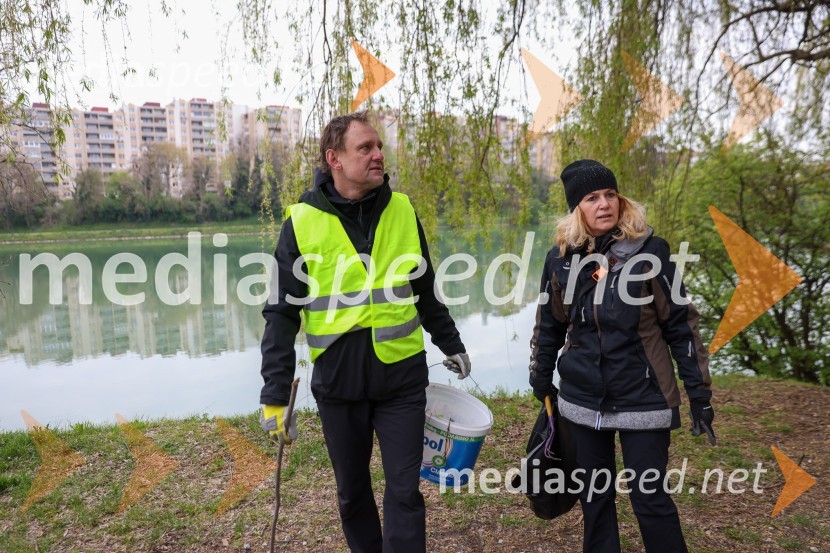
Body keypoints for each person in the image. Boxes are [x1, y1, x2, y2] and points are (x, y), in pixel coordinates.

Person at [259, 110, 470, 553]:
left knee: (405, 492)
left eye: (378, 146)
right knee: (352, 495)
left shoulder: (403, 209)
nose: (378, 155)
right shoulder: (300, 222)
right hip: (338, 384)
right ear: (334, 158)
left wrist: (450, 341)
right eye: (366, 148)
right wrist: (275, 395)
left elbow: (424, 287)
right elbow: (281, 313)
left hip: (402, 382)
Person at [529, 159, 714, 553]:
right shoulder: (559, 258)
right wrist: (541, 376)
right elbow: (549, 325)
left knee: (650, 497)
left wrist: (698, 392)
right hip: (580, 399)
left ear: (620, 199)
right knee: (595, 499)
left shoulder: (652, 252)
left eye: (610, 194)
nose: (604, 204)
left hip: (643, 397)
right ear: (577, 208)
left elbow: (680, 324)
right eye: (592, 197)